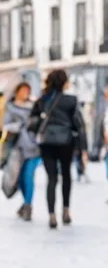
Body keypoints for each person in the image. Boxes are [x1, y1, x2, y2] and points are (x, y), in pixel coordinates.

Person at [29, 70, 87, 229]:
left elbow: (31, 123)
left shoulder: (42, 100)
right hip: (65, 143)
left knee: (52, 178)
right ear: (63, 82)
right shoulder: (71, 100)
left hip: (47, 143)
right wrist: (83, 148)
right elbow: (79, 125)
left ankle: (52, 215)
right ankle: (66, 211)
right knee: (66, 176)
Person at [2, 82, 40, 220]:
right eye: (23, 90)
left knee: (28, 176)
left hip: (34, 147)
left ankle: (28, 206)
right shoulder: (10, 107)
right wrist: (19, 125)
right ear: (17, 91)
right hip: (17, 147)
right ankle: (25, 203)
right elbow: (6, 125)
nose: (25, 93)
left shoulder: (34, 106)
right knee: (20, 179)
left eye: (27, 90)